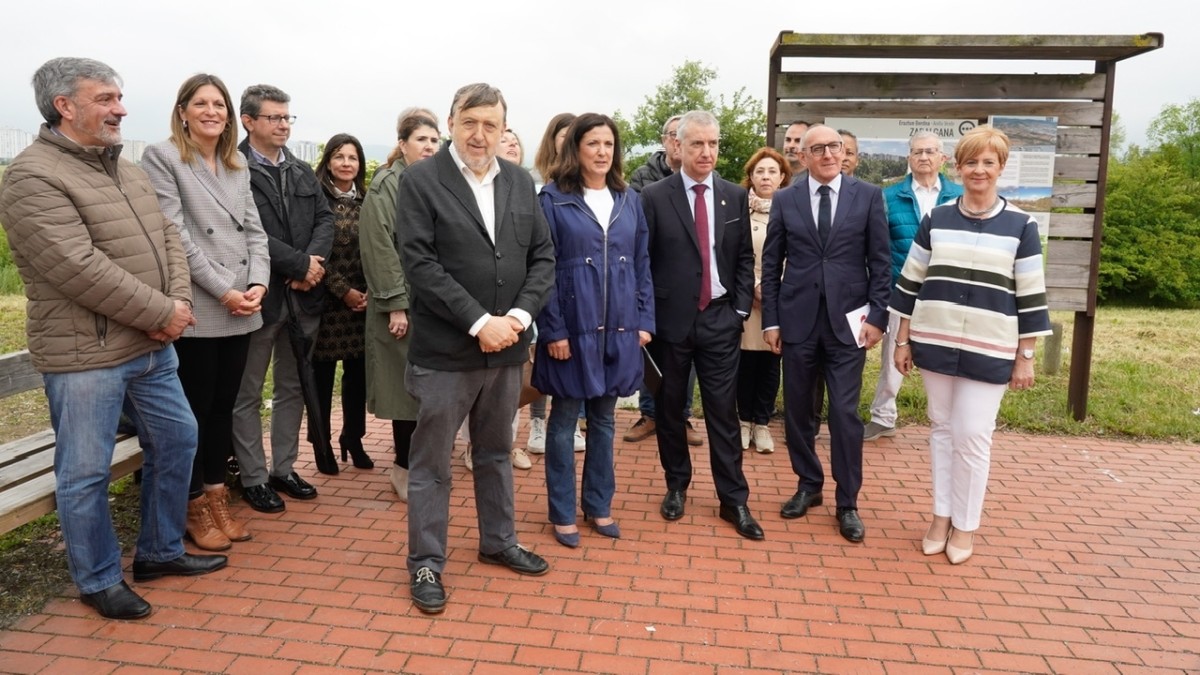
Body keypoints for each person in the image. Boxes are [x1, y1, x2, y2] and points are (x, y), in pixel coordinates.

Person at [0, 57, 227, 620]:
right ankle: (98, 579)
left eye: (119, 97)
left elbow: (169, 237)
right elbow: (76, 267)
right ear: (64, 106)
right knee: (84, 472)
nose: (120, 108)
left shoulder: (124, 169)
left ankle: (159, 551)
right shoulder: (32, 176)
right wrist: (160, 313)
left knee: (178, 440)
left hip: (151, 347)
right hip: (87, 356)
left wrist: (173, 305)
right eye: (106, 98)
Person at [396, 82, 556, 614]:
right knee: (433, 462)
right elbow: (420, 264)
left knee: (494, 452)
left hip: (507, 346)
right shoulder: (421, 181)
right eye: (471, 123)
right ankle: (425, 560)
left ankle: (498, 541)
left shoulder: (519, 180)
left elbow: (542, 259)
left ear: (503, 128)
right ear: (451, 122)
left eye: (491, 124)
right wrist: (478, 321)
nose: (480, 134)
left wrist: (517, 317)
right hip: (447, 351)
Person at [890, 125, 1052, 564]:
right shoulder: (936, 219)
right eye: (971, 162)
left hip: (991, 347)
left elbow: (1032, 296)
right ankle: (940, 516)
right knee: (941, 430)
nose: (979, 170)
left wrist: (1027, 356)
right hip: (934, 343)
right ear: (957, 167)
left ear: (1000, 168)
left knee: (974, 436)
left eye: (988, 162)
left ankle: (966, 524)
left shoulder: (1022, 224)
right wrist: (902, 341)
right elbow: (909, 283)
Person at [141, 73, 271, 551]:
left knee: (223, 408)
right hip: (203, 303)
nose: (212, 111)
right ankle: (194, 506)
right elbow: (175, 235)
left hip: (243, 303)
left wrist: (258, 282)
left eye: (220, 104)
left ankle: (219, 498)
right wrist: (224, 291)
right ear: (183, 111)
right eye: (201, 103)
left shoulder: (237, 164)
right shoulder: (164, 157)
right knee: (194, 411)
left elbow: (255, 232)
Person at [760, 124, 891, 543]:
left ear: (844, 152)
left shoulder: (868, 196)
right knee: (798, 412)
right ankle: (808, 485)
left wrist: (877, 318)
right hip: (797, 323)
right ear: (803, 157)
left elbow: (881, 263)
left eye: (835, 147)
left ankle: (847, 501)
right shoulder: (785, 198)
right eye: (819, 149)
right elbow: (771, 263)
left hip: (849, 325)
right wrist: (772, 320)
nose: (829, 154)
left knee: (844, 415)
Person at [533, 113, 654, 548]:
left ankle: (599, 505)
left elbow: (642, 265)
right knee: (564, 421)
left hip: (620, 329)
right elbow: (541, 271)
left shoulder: (629, 199)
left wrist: (644, 322)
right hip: (571, 328)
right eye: (593, 144)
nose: (602, 152)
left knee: (603, 421)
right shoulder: (552, 199)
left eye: (608, 144)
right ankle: (562, 512)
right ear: (575, 150)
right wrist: (553, 331)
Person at [641, 110, 763, 541]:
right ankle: (677, 484)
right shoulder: (655, 196)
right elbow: (644, 261)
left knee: (722, 412)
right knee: (670, 410)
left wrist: (740, 312)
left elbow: (744, 258)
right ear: (678, 145)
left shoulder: (733, 194)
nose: (706, 152)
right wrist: (646, 318)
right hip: (670, 324)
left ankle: (734, 499)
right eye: (697, 144)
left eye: (713, 144)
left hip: (720, 320)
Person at [231, 84, 334, 514]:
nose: (283, 125)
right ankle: (253, 477)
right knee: (248, 393)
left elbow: (325, 218)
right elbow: (247, 229)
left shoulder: (300, 169)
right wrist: (298, 265)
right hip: (259, 298)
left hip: (303, 300)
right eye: (274, 117)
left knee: (293, 387)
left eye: (288, 117)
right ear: (249, 121)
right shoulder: (231, 168)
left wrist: (315, 264)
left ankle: (284, 468)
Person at [360, 108, 439, 501]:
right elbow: (379, 248)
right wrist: (395, 304)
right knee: (404, 392)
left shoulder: (438, 182)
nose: (428, 146)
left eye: (434, 140)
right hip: (402, 304)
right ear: (402, 143)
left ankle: (424, 466)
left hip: (436, 304)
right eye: (421, 139)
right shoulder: (387, 185)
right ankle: (403, 469)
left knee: (432, 391)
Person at [864, 131, 964, 442]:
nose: (923, 157)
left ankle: (953, 420)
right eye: (917, 152)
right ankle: (883, 417)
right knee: (893, 358)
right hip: (901, 290)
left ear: (942, 158)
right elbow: (878, 246)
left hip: (946, 294)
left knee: (949, 358)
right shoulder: (889, 196)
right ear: (909, 158)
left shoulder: (958, 195)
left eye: (930, 151)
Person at [623, 113, 701, 447]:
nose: (676, 142)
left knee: (688, 352)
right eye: (672, 135)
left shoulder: (702, 176)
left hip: (689, 281)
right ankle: (650, 413)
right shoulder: (643, 177)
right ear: (667, 140)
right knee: (650, 349)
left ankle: (682, 416)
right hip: (652, 276)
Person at [311, 133, 373, 470]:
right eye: (339, 157)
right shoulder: (316, 197)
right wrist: (343, 291)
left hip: (363, 302)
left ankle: (354, 437)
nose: (346, 163)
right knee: (321, 379)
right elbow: (316, 251)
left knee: (357, 378)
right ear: (328, 161)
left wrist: (366, 295)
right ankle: (321, 444)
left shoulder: (368, 198)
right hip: (326, 301)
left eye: (352, 157)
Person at [525, 112, 585, 457]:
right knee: (542, 356)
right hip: (544, 286)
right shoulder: (537, 184)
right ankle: (536, 420)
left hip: (576, 292)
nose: (568, 141)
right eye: (563, 135)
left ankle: (573, 420)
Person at [736, 148, 792, 454]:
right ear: (751, 177)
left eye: (772, 171)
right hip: (748, 298)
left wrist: (775, 289)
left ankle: (762, 423)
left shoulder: (792, 209)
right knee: (745, 363)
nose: (766, 177)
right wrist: (754, 287)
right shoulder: (738, 210)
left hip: (782, 298)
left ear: (782, 177)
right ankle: (743, 421)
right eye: (760, 171)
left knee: (771, 364)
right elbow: (733, 254)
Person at [628, 114, 681, 191]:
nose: (678, 141)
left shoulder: (698, 175)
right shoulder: (642, 176)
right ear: (663, 140)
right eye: (674, 134)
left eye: (684, 136)